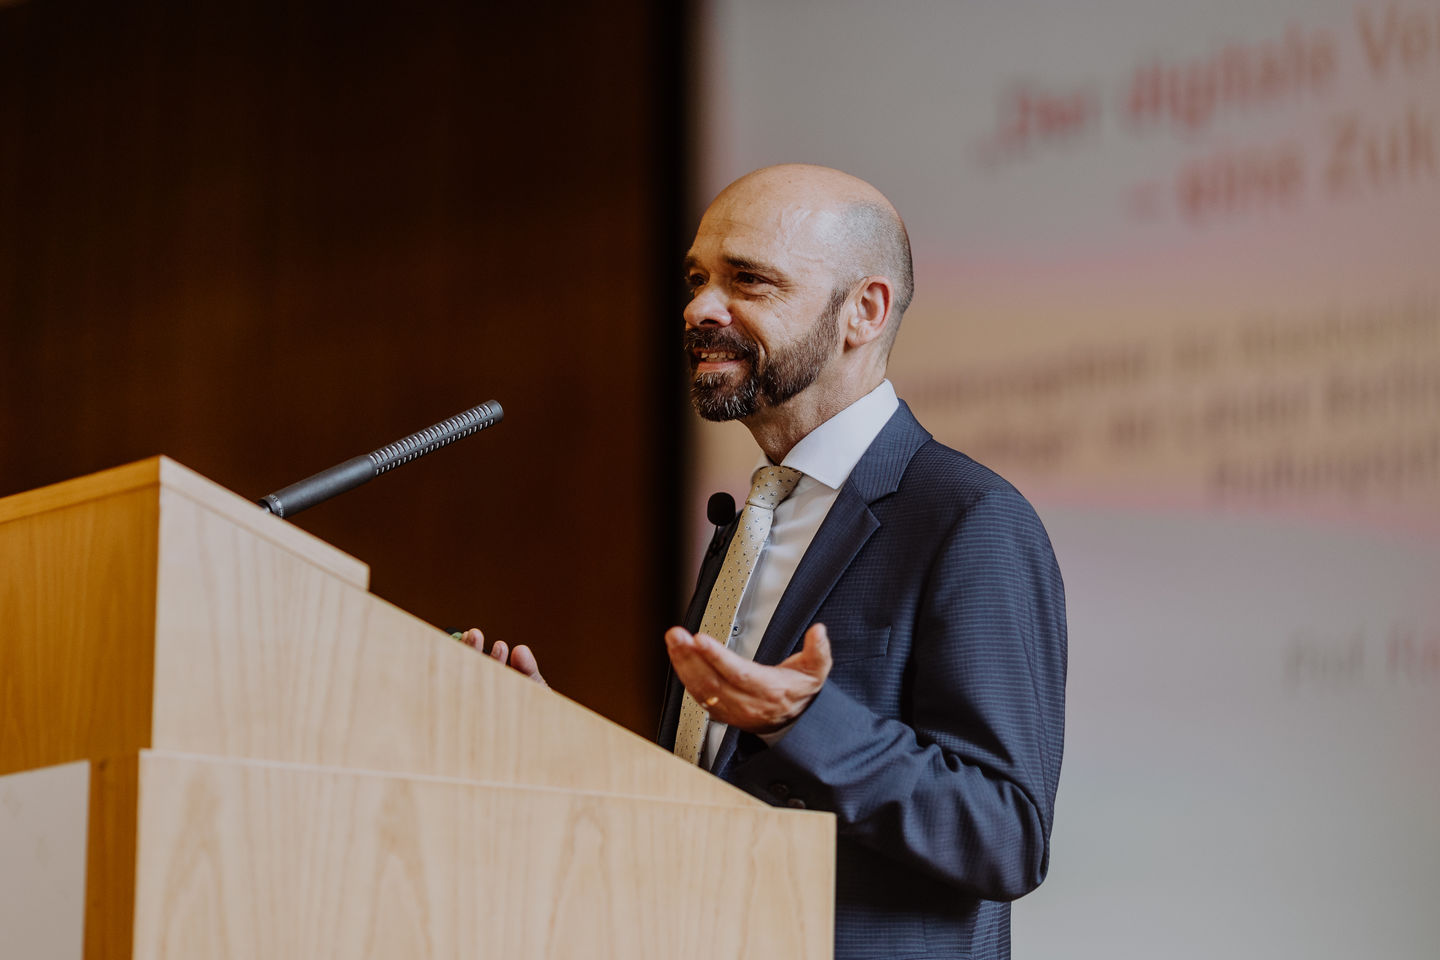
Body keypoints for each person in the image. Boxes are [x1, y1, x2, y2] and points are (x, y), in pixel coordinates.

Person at [470, 164, 1066, 960]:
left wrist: (806, 723)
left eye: (748, 280)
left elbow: (1004, 834)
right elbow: (715, 794)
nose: (698, 310)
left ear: (865, 310)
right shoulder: (757, 514)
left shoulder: (969, 519)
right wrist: (558, 745)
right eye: (696, 279)